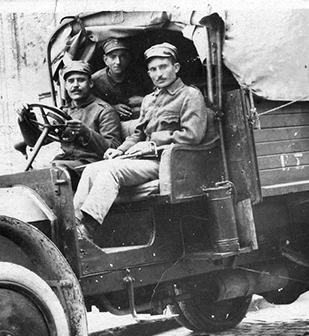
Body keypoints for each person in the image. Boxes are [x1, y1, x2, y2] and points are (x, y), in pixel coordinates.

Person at [74, 43, 208, 242]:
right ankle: (74, 225)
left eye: (163, 67)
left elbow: (192, 135)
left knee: (112, 171)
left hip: (169, 162)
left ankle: (87, 231)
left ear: (176, 68)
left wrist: (153, 142)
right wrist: (120, 150)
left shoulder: (190, 95)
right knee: (92, 169)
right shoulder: (149, 100)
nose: (158, 74)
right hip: (145, 159)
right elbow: (138, 134)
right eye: (153, 69)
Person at [17, 61, 122, 186]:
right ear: (66, 86)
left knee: (52, 172)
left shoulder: (104, 110)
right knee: (34, 174)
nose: (75, 85)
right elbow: (35, 142)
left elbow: (113, 148)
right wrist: (25, 119)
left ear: (90, 83)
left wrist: (86, 132)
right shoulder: (64, 112)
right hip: (66, 163)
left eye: (81, 80)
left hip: (92, 165)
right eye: (71, 81)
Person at [92, 38, 152, 124]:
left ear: (129, 58)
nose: (118, 62)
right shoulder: (96, 80)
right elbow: (91, 106)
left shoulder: (140, 74)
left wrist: (144, 100)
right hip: (109, 122)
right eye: (113, 57)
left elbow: (158, 95)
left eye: (123, 56)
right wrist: (112, 107)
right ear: (105, 60)